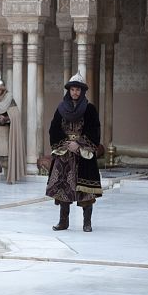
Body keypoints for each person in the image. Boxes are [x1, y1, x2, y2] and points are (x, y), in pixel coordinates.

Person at [45, 73, 102, 232]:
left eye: (78, 90)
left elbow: (94, 130)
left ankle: (87, 223)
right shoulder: (61, 108)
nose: (75, 92)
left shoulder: (89, 109)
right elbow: (54, 129)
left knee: (85, 190)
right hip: (64, 153)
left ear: (82, 91)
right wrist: (65, 143)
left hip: (83, 153)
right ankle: (63, 222)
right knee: (63, 188)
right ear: (69, 91)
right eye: (72, 89)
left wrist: (79, 143)